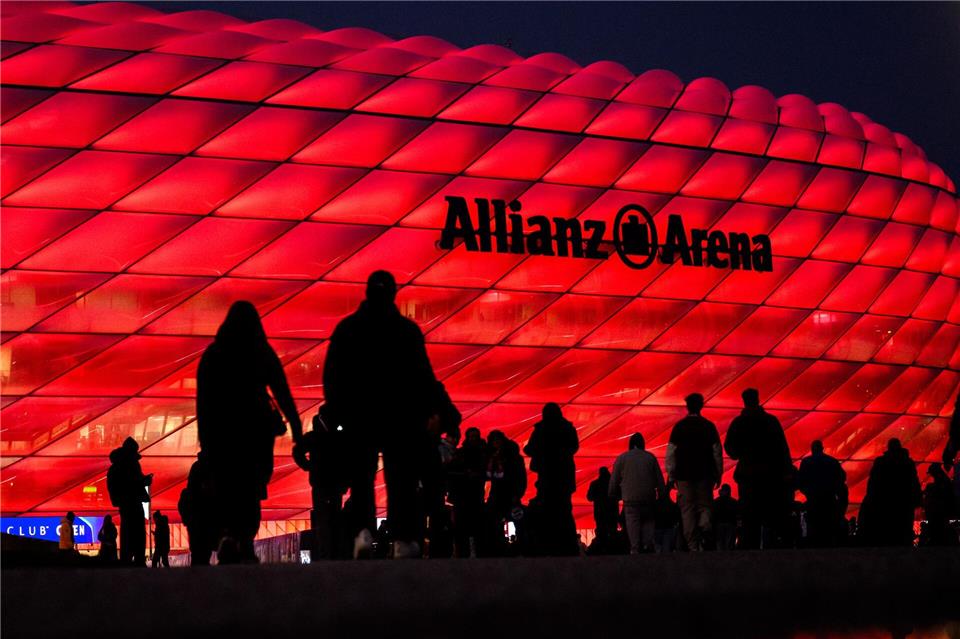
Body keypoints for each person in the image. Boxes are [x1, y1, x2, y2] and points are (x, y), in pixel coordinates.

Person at [322, 271, 440, 560]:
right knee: (401, 479)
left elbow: (332, 374)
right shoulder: (406, 331)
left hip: (359, 415)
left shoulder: (348, 328)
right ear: (394, 293)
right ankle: (403, 538)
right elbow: (423, 376)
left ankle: (362, 532)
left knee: (362, 477)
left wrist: (337, 411)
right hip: (399, 417)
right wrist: (429, 414)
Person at [197, 301, 303, 564]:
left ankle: (230, 537)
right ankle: (243, 539)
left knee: (229, 487)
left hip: (223, 435)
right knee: (251, 488)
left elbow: (204, 404)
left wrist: (207, 444)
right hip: (255, 434)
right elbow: (282, 392)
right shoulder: (260, 351)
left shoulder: (213, 355)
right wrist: (297, 431)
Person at [724, 388, 794, 549]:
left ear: (744, 401)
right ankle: (775, 549)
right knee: (772, 514)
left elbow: (730, 449)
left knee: (750, 517)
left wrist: (742, 453)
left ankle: (750, 551)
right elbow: (783, 449)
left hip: (748, 476)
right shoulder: (771, 421)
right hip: (771, 476)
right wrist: (786, 472)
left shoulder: (739, 423)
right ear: (758, 399)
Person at [666, 393, 722, 552]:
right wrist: (718, 473)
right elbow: (716, 452)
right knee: (705, 504)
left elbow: (671, 452)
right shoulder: (709, 426)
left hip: (683, 475)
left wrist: (671, 475)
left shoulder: (679, 427)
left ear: (687, 407)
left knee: (687, 509)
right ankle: (704, 523)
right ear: (701, 406)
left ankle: (692, 545)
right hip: (705, 474)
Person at [523, 403, 580, 556]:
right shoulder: (567, 428)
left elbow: (529, 448)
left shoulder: (541, 429)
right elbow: (574, 447)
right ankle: (568, 545)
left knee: (547, 509)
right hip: (564, 476)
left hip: (546, 476)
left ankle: (548, 544)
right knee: (564, 510)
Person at [859, 438, 922, 547]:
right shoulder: (907, 462)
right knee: (903, 528)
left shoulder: (881, 462)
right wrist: (917, 499)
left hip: (885, 501)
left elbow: (873, 482)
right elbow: (914, 482)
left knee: (887, 529)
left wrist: (871, 498)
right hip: (904, 501)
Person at [609, 433, 665, 554]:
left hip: (630, 499)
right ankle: (646, 546)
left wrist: (612, 493)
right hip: (648, 498)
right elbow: (660, 480)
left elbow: (614, 480)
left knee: (632, 524)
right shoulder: (650, 457)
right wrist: (662, 495)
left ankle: (635, 549)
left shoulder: (622, 458)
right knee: (648, 522)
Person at [107, 437, 152, 566]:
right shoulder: (130, 465)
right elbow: (134, 482)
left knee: (128, 533)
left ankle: (127, 560)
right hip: (133, 503)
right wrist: (145, 482)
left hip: (125, 504)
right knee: (137, 533)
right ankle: (138, 561)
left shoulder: (116, 467)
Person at [796, 440, 848, 547]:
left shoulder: (806, 462)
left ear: (812, 449)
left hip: (813, 501)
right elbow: (842, 478)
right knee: (827, 531)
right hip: (829, 501)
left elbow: (800, 482)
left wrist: (808, 492)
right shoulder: (832, 461)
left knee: (814, 530)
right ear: (822, 448)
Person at [485, 430, 526, 556]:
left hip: (508, 494)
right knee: (500, 520)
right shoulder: (494, 457)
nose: (496, 443)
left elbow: (520, 477)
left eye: (498, 441)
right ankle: (506, 547)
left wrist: (517, 493)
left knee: (514, 520)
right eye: (494, 441)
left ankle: (517, 547)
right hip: (500, 494)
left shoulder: (512, 457)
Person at [449, 427, 488, 558]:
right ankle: (465, 552)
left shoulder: (481, 453)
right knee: (465, 525)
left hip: (471, 494)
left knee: (472, 525)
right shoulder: (465, 453)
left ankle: (468, 551)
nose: (473, 439)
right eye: (471, 436)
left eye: (475, 436)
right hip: (464, 494)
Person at [178, 453, 216, 566]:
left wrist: (187, 520)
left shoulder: (196, 468)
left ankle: (198, 578)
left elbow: (183, 505)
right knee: (205, 551)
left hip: (195, 521)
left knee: (197, 553)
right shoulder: (212, 469)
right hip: (206, 518)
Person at [919, 463, 957, 547]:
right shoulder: (943, 480)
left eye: (932, 473)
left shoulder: (942, 482)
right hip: (941, 511)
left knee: (938, 529)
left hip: (940, 512)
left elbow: (942, 494)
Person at [587, 467, 618, 550]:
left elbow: (589, 498)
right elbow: (620, 496)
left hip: (599, 512)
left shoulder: (594, 484)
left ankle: (601, 550)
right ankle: (613, 550)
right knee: (612, 532)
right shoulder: (613, 484)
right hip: (612, 512)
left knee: (601, 532)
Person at [654, 484, 681, 553]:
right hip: (666, 525)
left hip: (662, 526)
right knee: (666, 550)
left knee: (663, 549)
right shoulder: (671, 494)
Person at [713, 484, 739, 551]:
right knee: (729, 544)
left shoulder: (716, 502)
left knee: (720, 544)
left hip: (720, 524)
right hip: (730, 524)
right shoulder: (734, 502)